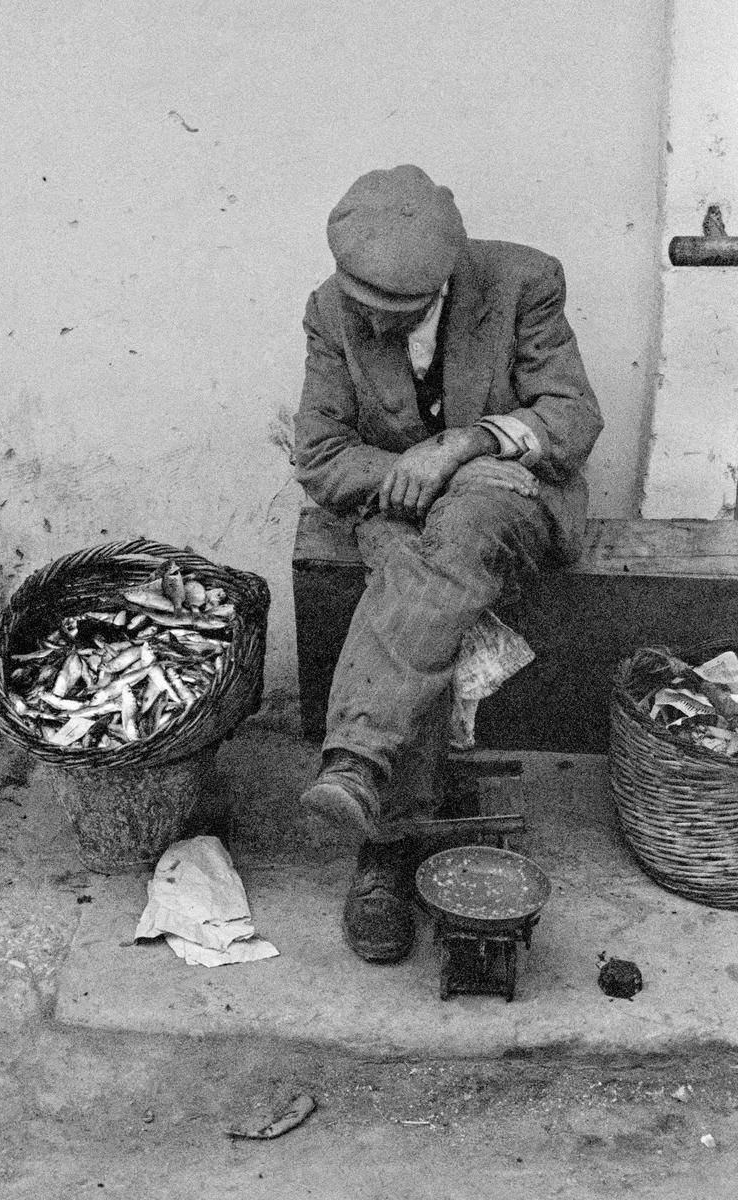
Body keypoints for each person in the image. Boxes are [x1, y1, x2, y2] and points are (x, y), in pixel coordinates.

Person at [294, 164, 603, 965]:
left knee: (462, 527)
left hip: (508, 501)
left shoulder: (523, 279)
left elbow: (571, 417)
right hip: (396, 509)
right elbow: (323, 457)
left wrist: (462, 447)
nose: (375, 325)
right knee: (412, 572)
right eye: (365, 306)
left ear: (447, 277)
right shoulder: (330, 310)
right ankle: (390, 842)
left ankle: (360, 761)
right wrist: (409, 474)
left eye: (398, 313)